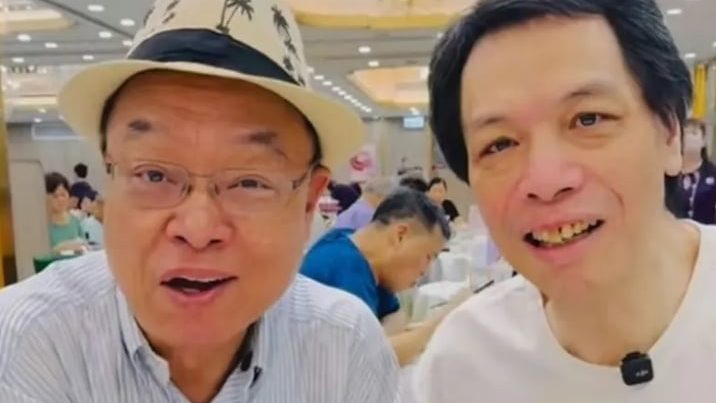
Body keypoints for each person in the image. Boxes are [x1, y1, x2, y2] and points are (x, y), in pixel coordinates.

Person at [0, 1, 400, 402]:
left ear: (309, 203)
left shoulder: (344, 346)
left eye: (249, 182)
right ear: (109, 179)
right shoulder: (26, 340)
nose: (197, 229)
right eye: (153, 175)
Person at [414, 0, 714, 402]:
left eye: (588, 119)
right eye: (499, 144)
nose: (546, 182)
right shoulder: (463, 364)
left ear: (671, 135)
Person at [302, 189, 466, 366]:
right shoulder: (344, 267)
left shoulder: (361, 251)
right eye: (428, 257)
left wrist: (385, 341)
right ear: (400, 235)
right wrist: (439, 322)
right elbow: (370, 363)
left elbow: (396, 315)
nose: (425, 271)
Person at [680, 118, 716, 224]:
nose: (689, 138)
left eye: (694, 133)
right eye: (685, 134)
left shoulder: (712, 173)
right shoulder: (669, 173)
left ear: (703, 141)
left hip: (705, 230)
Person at [45, 171, 85, 254]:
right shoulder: (42, 226)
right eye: (55, 196)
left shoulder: (75, 221)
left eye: (63, 195)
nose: (60, 199)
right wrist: (59, 248)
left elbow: (84, 246)